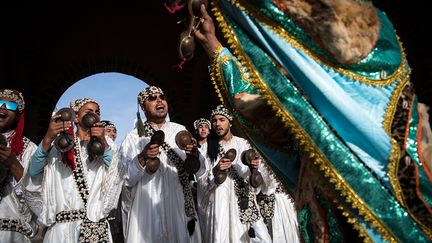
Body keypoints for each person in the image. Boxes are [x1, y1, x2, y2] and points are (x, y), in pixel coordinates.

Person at [194, 1, 432, 241]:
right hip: (326, 217)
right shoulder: (299, 98)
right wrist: (215, 48)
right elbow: (262, 114)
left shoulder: (370, 38)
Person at [22, 98, 125, 242]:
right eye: (89, 111)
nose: (94, 115)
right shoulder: (59, 147)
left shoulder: (107, 145)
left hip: (95, 227)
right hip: (60, 231)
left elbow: (117, 172)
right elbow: (33, 173)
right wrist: (47, 138)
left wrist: (103, 142)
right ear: (76, 117)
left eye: (97, 112)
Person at [120, 86, 202, 242]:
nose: (159, 100)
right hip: (147, 208)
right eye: (152, 98)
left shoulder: (181, 130)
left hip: (179, 203)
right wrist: (143, 157)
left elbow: (198, 169)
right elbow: (126, 179)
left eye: (162, 97)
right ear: (143, 108)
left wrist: (194, 154)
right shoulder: (133, 137)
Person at [196, 104, 272, 243]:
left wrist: (255, 168)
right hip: (220, 204)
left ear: (230, 122)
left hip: (245, 204)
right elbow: (201, 182)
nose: (217, 123)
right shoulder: (206, 149)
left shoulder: (244, 144)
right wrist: (216, 170)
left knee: (262, 238)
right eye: (214, 121)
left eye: (221, 119)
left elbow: (259, 181)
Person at [0, 89, 38, 242]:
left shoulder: (29, 149)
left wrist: (14, 165)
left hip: (10, 233)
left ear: (18, 115)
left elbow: (38, 194)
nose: (2, 107)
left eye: (9, 105)